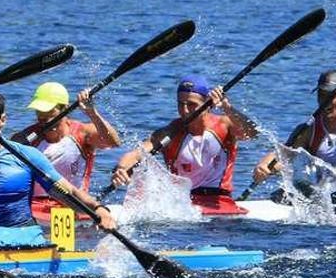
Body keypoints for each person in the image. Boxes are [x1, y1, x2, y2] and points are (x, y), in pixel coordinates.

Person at [0, 88, 116, 230]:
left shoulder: (28, 155)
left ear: (2, 120)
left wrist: (98, 209)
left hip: (22, 239)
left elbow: (69, 193)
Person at [111, 75, 259, 214]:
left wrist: (227, 107)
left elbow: (253, 133)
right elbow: (136, 154)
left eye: (192, 104)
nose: (185, 110)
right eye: (180, 104)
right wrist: (121, 169)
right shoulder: (170, 132)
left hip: (219, 203)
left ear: (208, 104)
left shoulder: (226, 125)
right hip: (181, 205)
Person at [11, 82, 121, 219]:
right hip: (34, 208)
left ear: (65, 109)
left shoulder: (83, 133)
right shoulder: (24, 138)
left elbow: (113, 142)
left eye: (49, 111)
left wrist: (92, 113)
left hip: (73, 205)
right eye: (39, 111)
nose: (43, 116)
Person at [253, 71, 336, 189]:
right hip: (322, 195)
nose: (324, 101)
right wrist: (264, 165)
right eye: (321, 95)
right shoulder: (309, 130)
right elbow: (285, 157)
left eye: (329, 96)